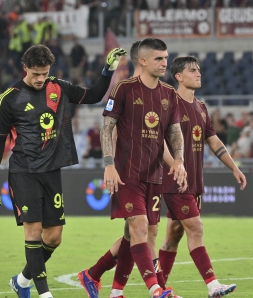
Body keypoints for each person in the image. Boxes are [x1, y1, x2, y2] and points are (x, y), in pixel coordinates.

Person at [0, 44, 127, 298]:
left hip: (51, 171)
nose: (40, 79)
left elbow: (93, 95)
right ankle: (44, 294)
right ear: (25, 68)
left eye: (44, 73)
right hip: (23, 171)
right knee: (34, 232)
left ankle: (22, 280)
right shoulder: (10, 98)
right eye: (36, 73)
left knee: (54, 238)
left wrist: (107, 70)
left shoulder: (57, 87)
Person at [78, 40, 180, 298]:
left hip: (154, 175)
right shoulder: (124, 88)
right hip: (127, 174)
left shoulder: (169, 93)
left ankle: (101, 281)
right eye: (159, 58)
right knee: (139, 227)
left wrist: (178, 162)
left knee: (137, 233)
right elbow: (107, 128)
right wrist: (109, 165)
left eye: (166, 57)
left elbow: (171, 134)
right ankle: (156, 290)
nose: (165, 62)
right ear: (143, 61)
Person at [158, 56, 246, 298]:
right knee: (196, 228)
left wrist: (234, 167)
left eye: (199, 70)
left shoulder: (201, 107)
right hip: (174, 180)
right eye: (192, 70)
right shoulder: (168, 104)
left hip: (195, 182)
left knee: (173, 236)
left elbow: (213, 141)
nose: (198, 74)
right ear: (178, 76)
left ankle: (157, 288)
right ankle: (212, 284)